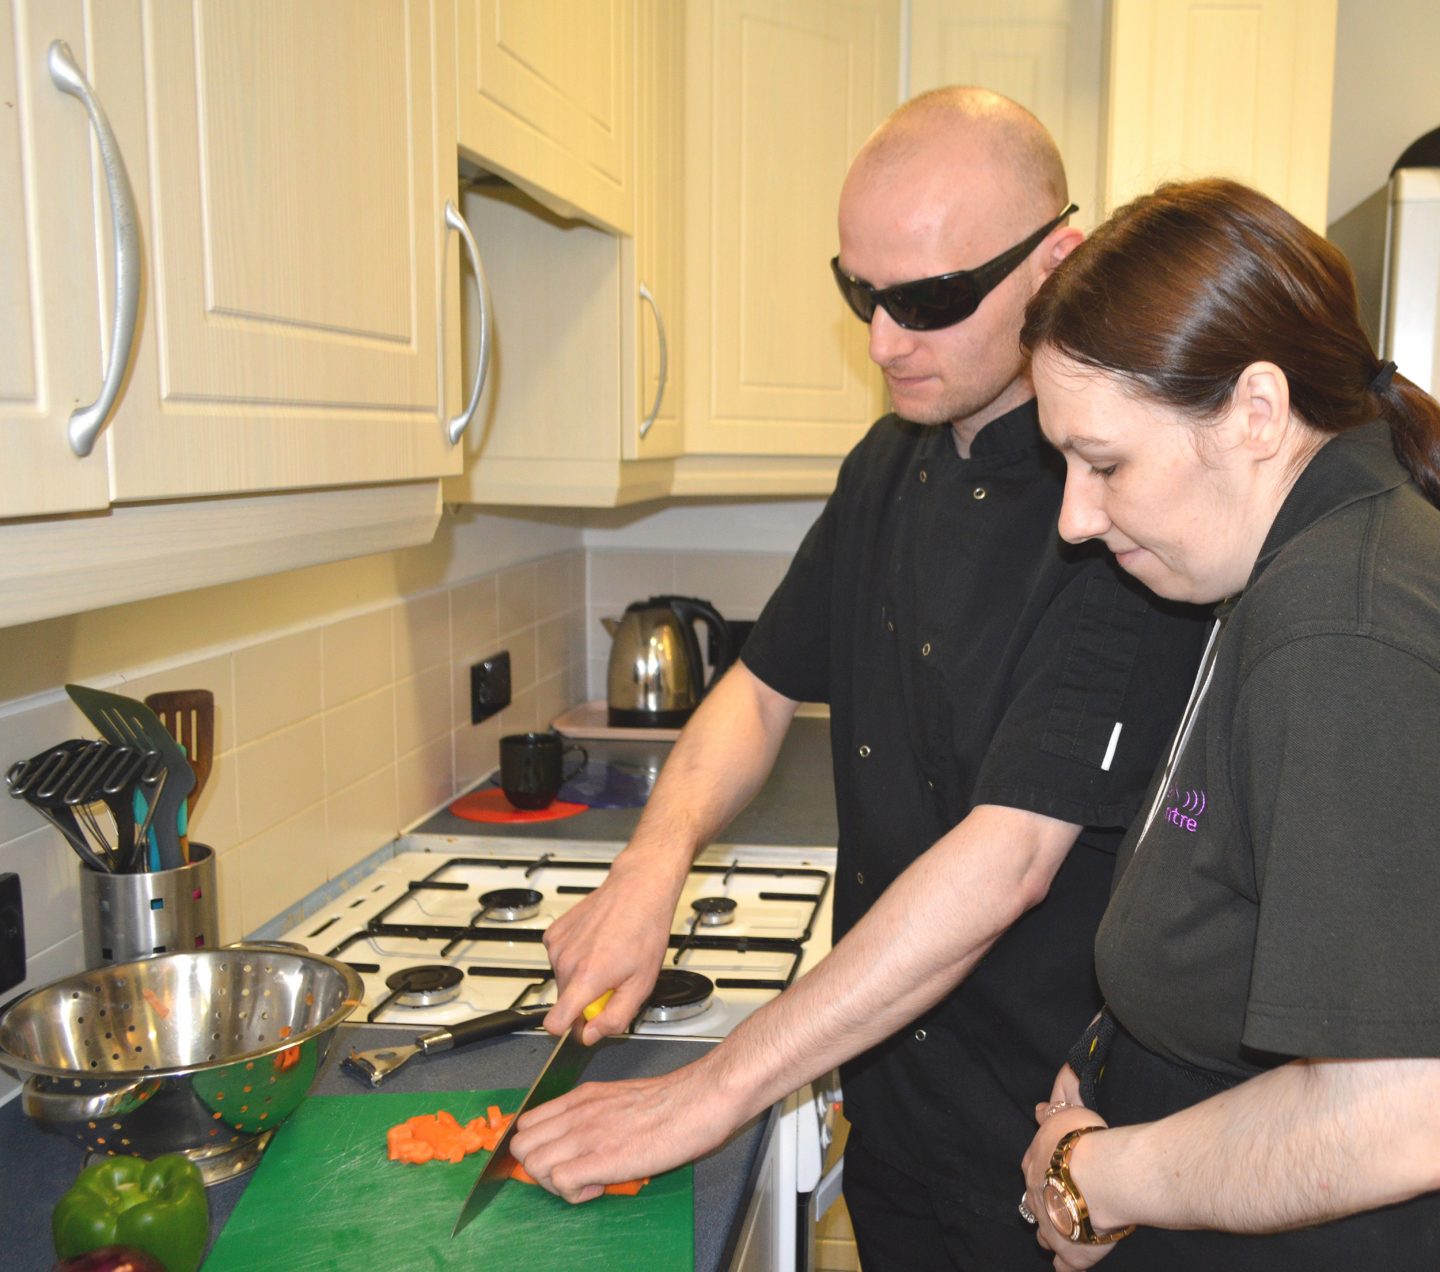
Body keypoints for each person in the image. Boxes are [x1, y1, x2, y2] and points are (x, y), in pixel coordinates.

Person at [511, 88, 1209, 1269]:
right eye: (860, 293)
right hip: (896, 1106)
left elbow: (1010, 864)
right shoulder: (886, 463)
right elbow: (760, 686)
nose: (885, 341)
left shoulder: (1123, 507)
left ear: (1057, 262)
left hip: (1054, 1145)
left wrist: (711, 1091)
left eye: (931, 300)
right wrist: (651, 862)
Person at [1016, 176, 1440, 1270]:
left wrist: (1097, 1179)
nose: (1075, 515)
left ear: (1256, 412)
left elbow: (1401, 1109)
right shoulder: (1280, 554)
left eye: (1103, 463)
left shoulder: (1338, 628)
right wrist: (1110, 1049)